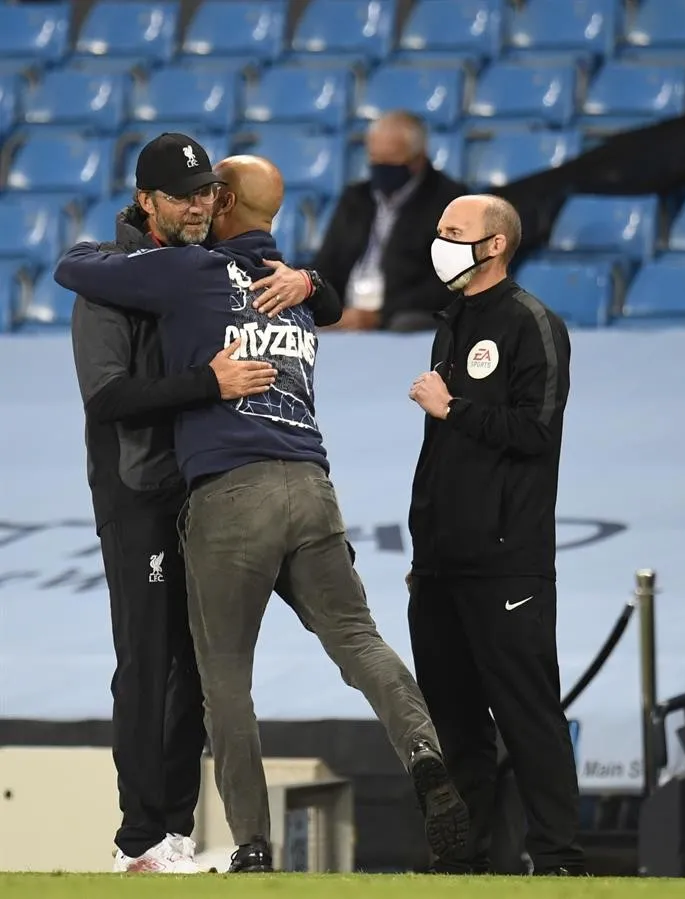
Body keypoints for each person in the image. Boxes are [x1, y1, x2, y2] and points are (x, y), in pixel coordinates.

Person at [55, 154, 470, 875]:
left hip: (229, 493)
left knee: (222, 676)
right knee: (359, 641)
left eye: (207, 193)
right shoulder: (294, 290)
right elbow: (332, 302)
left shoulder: (190, 271)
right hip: (312, 484)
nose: (198, 204)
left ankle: (250, 842)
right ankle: (425, 753)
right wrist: (313, 280)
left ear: (221, 203)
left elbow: (75, 267)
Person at [71, 132, 343, 874]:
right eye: (182, 197)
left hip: (202, 493)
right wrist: (208, 385)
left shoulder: (209, 263)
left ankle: (174, 835)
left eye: (205, 195)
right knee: (146, 658)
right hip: (138, 491)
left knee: (193, 664)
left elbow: (321, 299)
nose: (197, 208)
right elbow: (107, 398)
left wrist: (310, 280)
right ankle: (138, 839)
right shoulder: (109, 279)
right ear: (145, 200)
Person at [406, 194, 585, 876]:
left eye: (453, 232)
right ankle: (463, 863)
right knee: (454, 720)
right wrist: (424, 548)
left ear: (494, 245)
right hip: (439, 563)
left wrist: (452, 407)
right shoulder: (450, 322)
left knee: (527, 712)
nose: (440, 242)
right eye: (439, 230)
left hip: (508, 560)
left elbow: (536, 429)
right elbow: (443, 455)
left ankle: (559, 857)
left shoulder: (531, 322)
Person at [313, 111, 464, 333]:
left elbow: (446, 283)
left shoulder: (450, 202)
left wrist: (380, 315)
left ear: (418, 158)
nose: (382, 167)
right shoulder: (355, 199)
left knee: (405, 324)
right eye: (375, 159)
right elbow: (326, 264)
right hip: (347, 313)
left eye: (391, 160)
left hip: (402, 315)